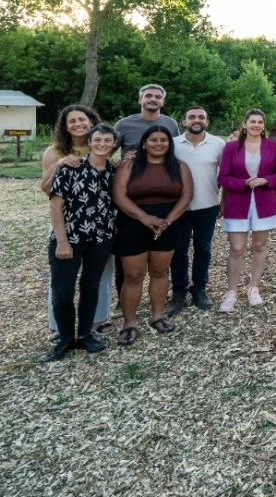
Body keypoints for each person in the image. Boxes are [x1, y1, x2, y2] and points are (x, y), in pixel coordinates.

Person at [43, 125, 120, 362]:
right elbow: (55, 206)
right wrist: (62, 242)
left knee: (91, 286)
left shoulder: (114, 171)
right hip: (70, 238)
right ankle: (66, 338)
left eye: (108, 140)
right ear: (90, 141)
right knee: (62, 292)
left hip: (101, 238)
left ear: (113, 144)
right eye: (98, 139)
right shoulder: (71, 167)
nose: (102, 144)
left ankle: (85, 334)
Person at [112, 125, 193, 346]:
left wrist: (168, 220)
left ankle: (157, 316)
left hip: (167, 224)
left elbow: (186, 195)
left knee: (160, 271)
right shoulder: (129, 165)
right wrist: (144, 217)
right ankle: (129, 323)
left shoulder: (179, 166)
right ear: (144, 143)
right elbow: (119, 195)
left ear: (170, 144)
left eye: (163, 140)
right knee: (134, 276)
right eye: (154, 140)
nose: (159, 144)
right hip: (133, 223)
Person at [217, 109, 276, 312]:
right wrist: (243, 183)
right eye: (252, 121)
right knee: (237, 248)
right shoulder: (231, 147)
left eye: (259, 122)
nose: (256, 125)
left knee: (259, 246)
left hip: (264, 203)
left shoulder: (272, 146)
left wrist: (266, 180)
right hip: (238, 203)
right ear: (244, 124)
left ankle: (253, 288)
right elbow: (223, 177)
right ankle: (231, 292)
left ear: (264, 126)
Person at [167, 106, 226, 315]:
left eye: (201, 117)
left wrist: (224, 202)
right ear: (183, 121)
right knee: (179, 252)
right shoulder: (172, 144)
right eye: (192, 117)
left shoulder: (218, 144)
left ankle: (199, 289)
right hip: (179, 208)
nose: (196, 120)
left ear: (207, 122)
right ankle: (179, 292)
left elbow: (226, 175)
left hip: (207, 205)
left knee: (203, 249)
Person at [114, 84, 180, 159]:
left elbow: (176, 152)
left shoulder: (171, 124)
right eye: (148, 96)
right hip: (132, 170)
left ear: (163, 102)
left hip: (163, 170)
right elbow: (107, 152)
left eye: (158, 97)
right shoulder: (123, 125)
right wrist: (117, 163)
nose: (153, 99)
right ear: (140, 100)